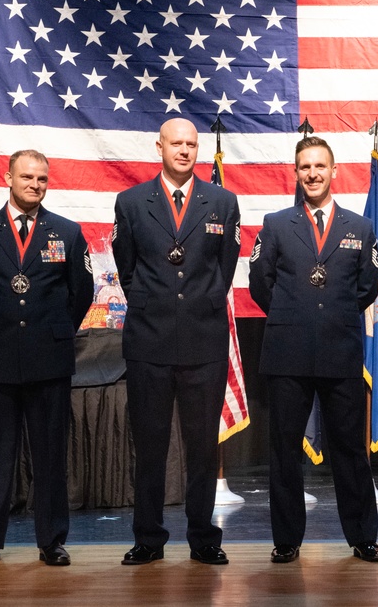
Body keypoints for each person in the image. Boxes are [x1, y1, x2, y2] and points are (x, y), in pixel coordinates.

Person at [0, 149, 94, 567]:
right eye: (27, 177)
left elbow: (80, 294)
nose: (35, 184)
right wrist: (4, 328)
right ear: (8, 177)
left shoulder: (67, 232)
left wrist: (51, 332)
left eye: (42, 179)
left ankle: (52, 541)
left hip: (49, 360)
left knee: (50, 455)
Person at [248, 136, 378, 564]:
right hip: (287, 351)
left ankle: (362, 537)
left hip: (340, 350)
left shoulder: (359, 228)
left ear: (334, 170)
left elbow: (366, 287)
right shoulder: (275, 224)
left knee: (349, 450)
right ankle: (286, 539)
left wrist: (329, 317)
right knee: (285, 450)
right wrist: (295, 315)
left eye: (319, 166)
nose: (312, 174)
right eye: (304, 167)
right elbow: (259, 283)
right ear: (295, 172)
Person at [112, 117, 241, 565]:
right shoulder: (130, 202)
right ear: (159, 146)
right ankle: (147, 539)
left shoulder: (222, 202)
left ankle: (204, 538)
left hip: (203, 341)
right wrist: (156, 304)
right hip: (149, 340)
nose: (184, 151)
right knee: (149, 447)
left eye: (191, 144)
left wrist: (194, 304)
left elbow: (223, 270)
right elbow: (127, 268)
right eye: (176, 143)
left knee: (203, 447)